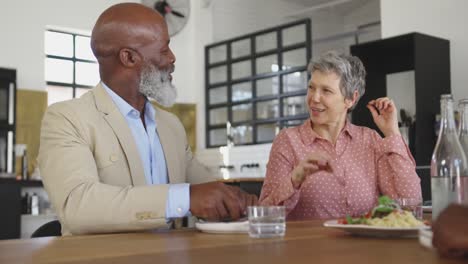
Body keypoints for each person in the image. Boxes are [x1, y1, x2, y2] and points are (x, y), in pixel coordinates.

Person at [38, 3, 257, 236]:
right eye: (164, 50)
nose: (172, 58)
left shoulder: (171, 125)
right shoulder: (67, 119)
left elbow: (204, 189)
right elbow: (78, 206)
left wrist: (237, 201)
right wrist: (185, 197)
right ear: (129, 57)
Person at [259, 51, 421, 219]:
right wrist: (294, 179)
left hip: (364, 244)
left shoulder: (369, 140)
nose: (314, 98)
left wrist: (392, 133)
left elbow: (410, 202)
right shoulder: (288, 141)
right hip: (309, 245)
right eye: (311, 87)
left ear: (350, 98)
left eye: (326, 91)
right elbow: (264, 214)